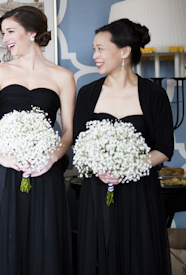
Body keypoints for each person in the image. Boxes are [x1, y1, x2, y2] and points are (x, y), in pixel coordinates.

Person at [0, 6, 75, 275]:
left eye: (10, 31)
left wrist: (50, 158)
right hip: (3, 171)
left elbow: (68, 132)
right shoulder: (0, 72)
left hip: (45, 170)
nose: (5, 39)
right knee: (2, 240)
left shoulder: (63, 76)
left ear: (32, 32)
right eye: (3, 33)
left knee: (44, 239)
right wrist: (1, 156)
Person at [73, 19, 172, 275]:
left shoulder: (153, 94)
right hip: (96, 191)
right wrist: (101, 169)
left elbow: (163, 148)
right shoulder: (87, 93)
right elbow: (79, 142)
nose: (95, 56)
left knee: (140, 258)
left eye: (100, 49)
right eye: (94, 49)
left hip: (139, 193)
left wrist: (127, 169)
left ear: (125, 51)